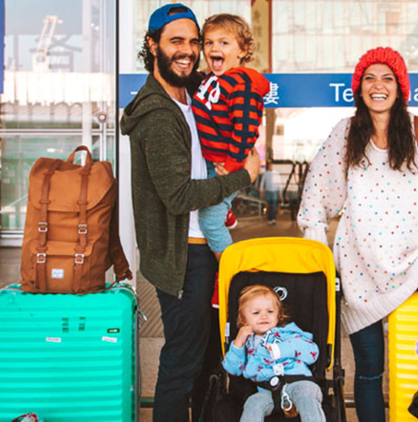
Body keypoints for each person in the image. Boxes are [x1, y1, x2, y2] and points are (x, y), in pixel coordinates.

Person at [298, 47, 418, 422]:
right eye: (369, 78)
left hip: (417, 251)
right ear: (359, 88)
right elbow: (315, 197)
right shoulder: (345, 133)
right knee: (369, 371)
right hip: (359, 263)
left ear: (400, 87)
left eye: (387, 78)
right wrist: (320, 264)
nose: (377, 86)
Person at [119, 4, 260, 422]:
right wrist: (243, 175)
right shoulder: (158, 113)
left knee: (207, 361)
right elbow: (179, 196)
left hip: (206, 249)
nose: (188, 50)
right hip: (185, 256)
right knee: (183, 362)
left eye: (194, 42)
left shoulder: (195, 90)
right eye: (175, 41)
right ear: (153, 45)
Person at [193, 13, 269, 259]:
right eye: (209, 42)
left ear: (242, 50)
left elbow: (246, 129)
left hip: (225, 166)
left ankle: (229, 274)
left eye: (224, 42)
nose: (214, 48)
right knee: (210, 210)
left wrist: (231, 166)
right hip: (208, 160)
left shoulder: (242, 85)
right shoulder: (212, 80)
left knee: (209, 221)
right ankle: (226, 212)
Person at [223, 285, 324, 422]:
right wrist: (238, 343)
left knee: (308, 394)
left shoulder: (288, 333)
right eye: (256, 313)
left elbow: (312, 353)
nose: (264, 316)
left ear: (278, 315)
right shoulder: (246, 342)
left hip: (297, 382)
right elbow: (233, 370)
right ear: (243, 320)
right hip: (266, 391)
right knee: (253, 403)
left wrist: (282, 349)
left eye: (270, 311)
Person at [259, 161, 281, 225]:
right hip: (268, 191)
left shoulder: (276, 173)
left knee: (273, 206)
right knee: (269, 205)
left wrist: (280, 192)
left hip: (274, 191)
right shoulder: (266, 174)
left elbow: (279, 183)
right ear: (268, 166)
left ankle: (273, 219)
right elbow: (263, 182)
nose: (270, 167)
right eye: (269, 166)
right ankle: (269, 219)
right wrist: (261, 190)